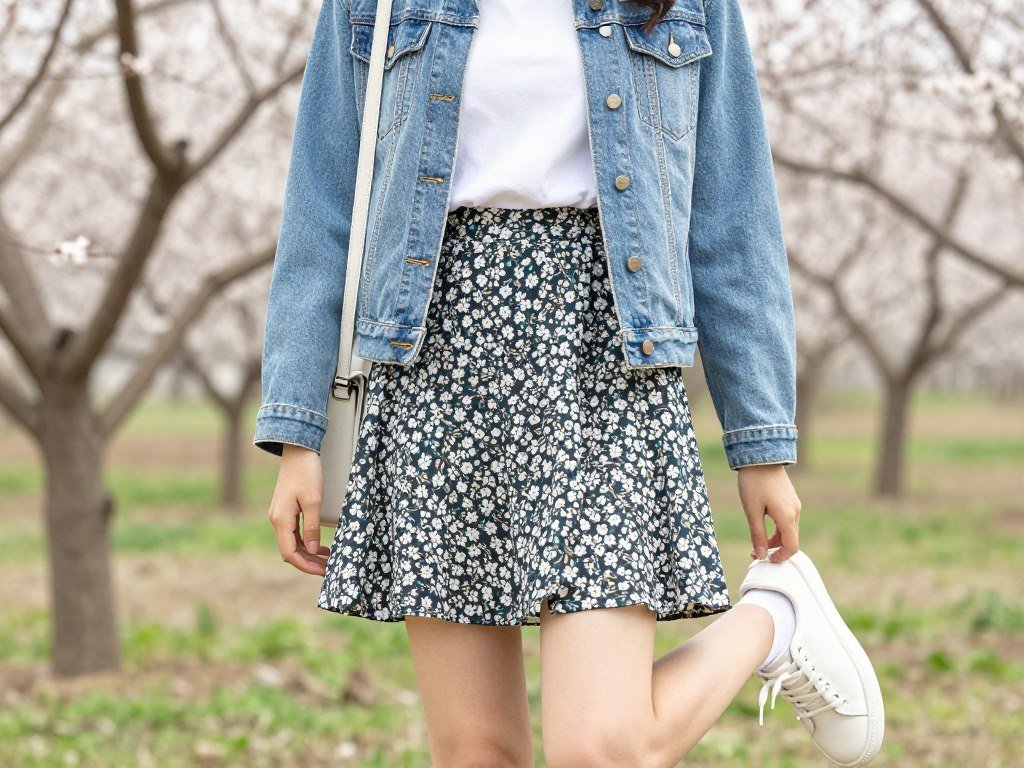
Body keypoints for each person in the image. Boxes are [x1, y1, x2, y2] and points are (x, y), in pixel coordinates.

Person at [254, 0, 885, 765]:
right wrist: (296, 432)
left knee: (602, 748)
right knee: (477, 752)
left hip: (605, 354)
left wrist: (760, 443)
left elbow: (731, 217)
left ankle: (775, 620)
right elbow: (322, 202)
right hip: (432, 357)